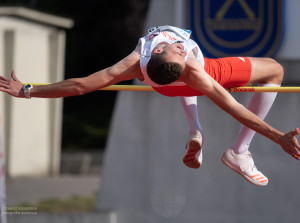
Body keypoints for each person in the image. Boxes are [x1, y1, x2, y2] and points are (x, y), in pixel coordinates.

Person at [0, 25, 299, 187]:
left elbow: (81, 86)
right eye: (180, 51)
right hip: (202, 75)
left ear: (158, 50)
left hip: (167, 89)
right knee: (274, 70)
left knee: (188, 83)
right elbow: (235, 107)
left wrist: (28, 90)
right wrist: (278, 137)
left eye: (179, 50)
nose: (182, 48)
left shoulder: (133, 64)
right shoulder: (196, 69)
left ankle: (196, 131)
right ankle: (238, 152)